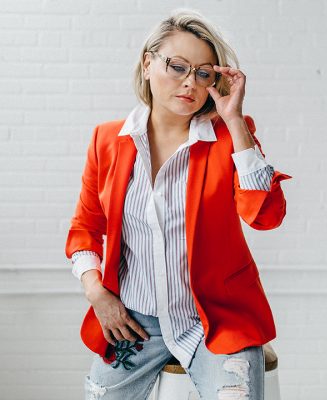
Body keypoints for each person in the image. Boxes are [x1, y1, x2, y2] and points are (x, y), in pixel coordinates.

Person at [65, 8, 292, 400]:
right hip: (134, 322)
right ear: (147, 64)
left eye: (203, 73)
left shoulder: (229, 137)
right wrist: (97, 293)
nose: (190, 82)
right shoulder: (107, 141)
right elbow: (85, 229)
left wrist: (235, 120)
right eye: (178, 66)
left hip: (216, 320)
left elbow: (266, 216)